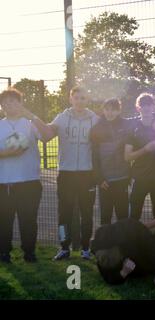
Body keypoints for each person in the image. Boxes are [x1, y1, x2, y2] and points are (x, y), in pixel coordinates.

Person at [47, 86, 100, 261]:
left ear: (87, 100)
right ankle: (64, 247)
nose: (79, 101)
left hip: (87, 175)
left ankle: (86, 248)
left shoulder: (95, 119)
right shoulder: (62, 118)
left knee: (87, 213)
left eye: (83, 98)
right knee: (64, 214)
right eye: (76, 98)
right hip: (66, 174)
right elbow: (47, 132)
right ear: (71, 99)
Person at [0, 88, 50, 263]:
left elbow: (47, 135)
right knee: (4, 220)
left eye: (13, 101)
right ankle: (4, 252)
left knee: (28, 220)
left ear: (20, 103)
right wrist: (7, 153)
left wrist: (31, 115)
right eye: (5, 102)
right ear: (1, 105)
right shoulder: (0, 125)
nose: (9, 104)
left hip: (29, 181)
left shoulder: (29, 124)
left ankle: (29, 252)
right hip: (4, 183)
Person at [125, 93, 155, 221]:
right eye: (143, 105)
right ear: (138, 108)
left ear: (153, 107)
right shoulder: (133, 127)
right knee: (134, 215)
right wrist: (146, 149)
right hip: (140, 177)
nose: (146, 108)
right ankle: (133, 239)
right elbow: (128, 157)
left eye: (149, 105)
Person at [90, 98, 132, 225]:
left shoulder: (126, 125)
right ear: (103, 110)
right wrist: (99, 178)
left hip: (122, 178)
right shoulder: (97, 128)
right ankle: (106, 244)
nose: (110, 112)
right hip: (105, 182)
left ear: (119, 111)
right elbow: (94, 156)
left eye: (113, 110)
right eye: (107, 109)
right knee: (105, 216)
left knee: (123, 215)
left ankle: (123, 244)